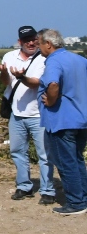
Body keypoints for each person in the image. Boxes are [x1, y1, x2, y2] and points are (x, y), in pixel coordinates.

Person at [0, 26, 54, 203]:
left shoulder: (44, 58)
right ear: (20, 42)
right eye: (26, 40)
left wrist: (21, 77)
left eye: (33, 39)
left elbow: (37, 84)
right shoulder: (9, 56)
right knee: (18, 151)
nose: (31, 43)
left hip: (39, 114)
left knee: (45, 154)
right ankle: (24, 186)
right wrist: (4, 73)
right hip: (16, 113)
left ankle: (47, 190)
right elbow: (6, 83)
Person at [37, 28, 87, 215]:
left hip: (61, 120)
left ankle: (75, 203)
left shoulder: (54, 61)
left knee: (66, 162)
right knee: (77, 159)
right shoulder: (80, 60)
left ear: (48, 44)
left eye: (40, 43)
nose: (38, 47)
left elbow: (53, 84)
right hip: (81, 118)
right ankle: (83, 197)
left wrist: (50, 100)